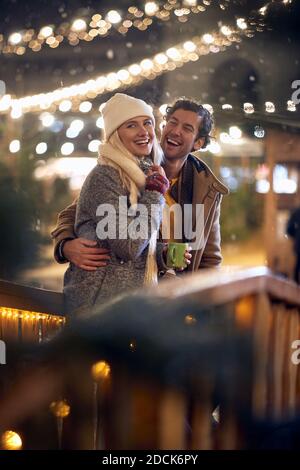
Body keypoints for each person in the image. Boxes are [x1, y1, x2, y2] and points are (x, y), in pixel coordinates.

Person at [51, 97, 228, 278]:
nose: (175, 131)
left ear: (198, 142)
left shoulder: (204, 188)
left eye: (187, 128)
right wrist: (65, 246)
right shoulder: (129, 168)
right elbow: (74, 212)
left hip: (179, 295)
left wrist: (203, 300)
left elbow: (210, 259)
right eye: (172, 123)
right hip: (138, 290)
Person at [63, 93, 172, 315]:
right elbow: (128, 246)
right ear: (115, 135)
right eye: (131, 125)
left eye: (147, 123)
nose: (144, 132)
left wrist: (161, 255)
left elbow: (131, 241)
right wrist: (154, 194)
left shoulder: (141, 174)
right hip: (98, 308)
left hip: (128, 306)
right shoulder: (104, 177)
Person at [286, 206, 300, 283]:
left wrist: (296, 236)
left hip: (298, 245)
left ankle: (296, 289)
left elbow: (289, 229)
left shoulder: (296, 212)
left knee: (297, 265)